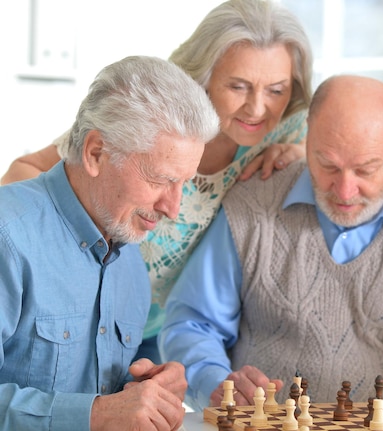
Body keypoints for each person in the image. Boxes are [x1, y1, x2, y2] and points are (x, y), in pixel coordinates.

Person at [159, 75, 383, 425]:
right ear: (308, 139)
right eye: (328, 164)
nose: (345, 191)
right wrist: (216, 383)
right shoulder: (251, 207)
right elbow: (192, 324)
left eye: (366, 169)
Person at [0, 0, 313, 364]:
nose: (258, 108)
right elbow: (28, 173)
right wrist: (50, 266)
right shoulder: (157, 117)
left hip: (158, 326)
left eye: (276, 90)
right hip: (80, 312)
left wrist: (303, 152)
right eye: (239, 86)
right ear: (204, 76)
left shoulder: (286, 127)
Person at [0, 55, 219, 431]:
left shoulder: (130, 255)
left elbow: (116, 395)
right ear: (96, 152)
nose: (174, 207)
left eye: (184, 182)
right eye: (161, 179)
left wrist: (151, 384)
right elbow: (99, 413)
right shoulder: (7, 236)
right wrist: (95, 413)